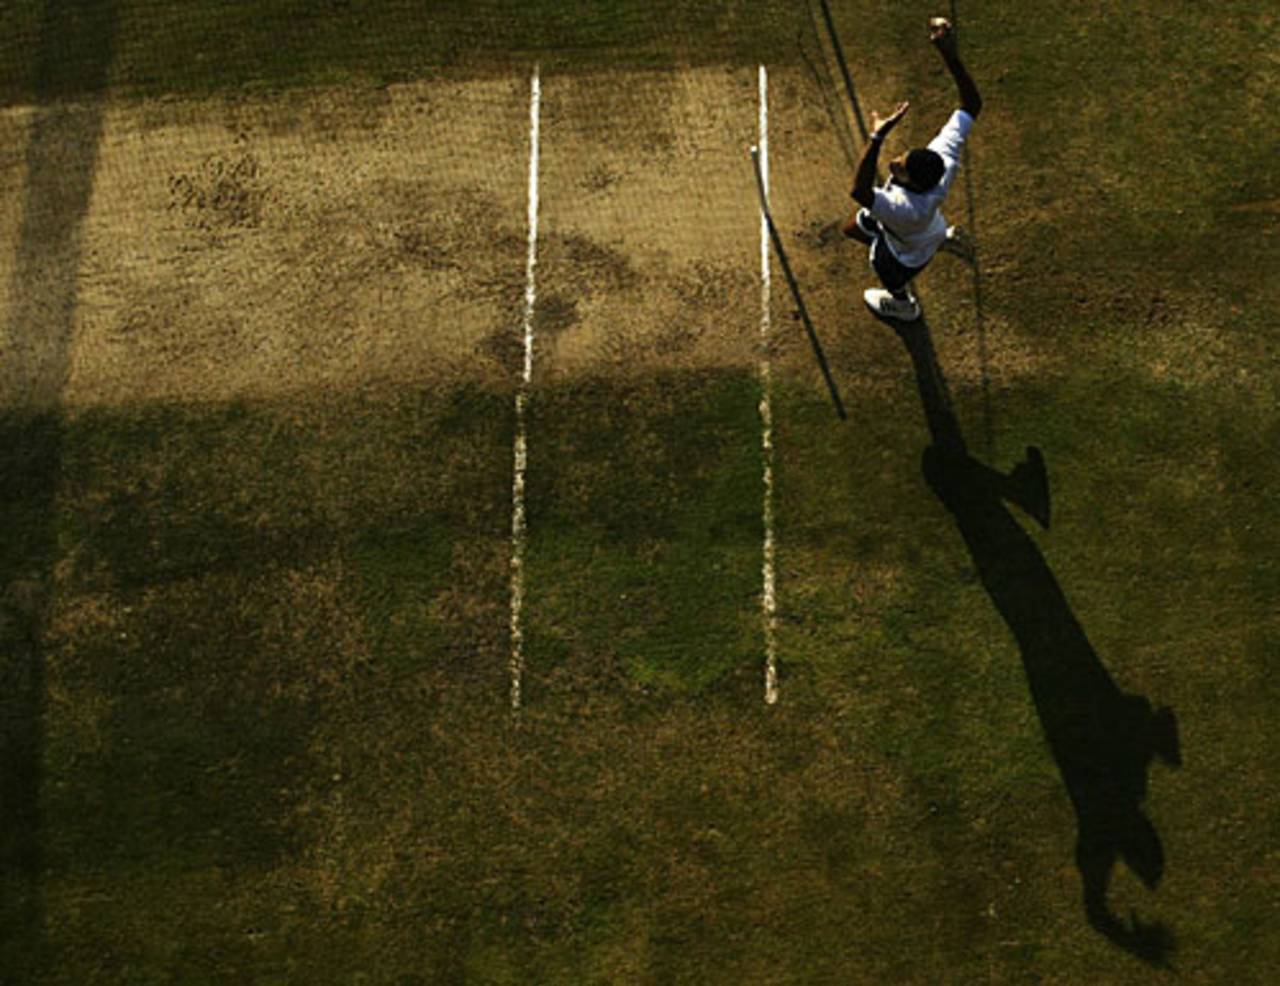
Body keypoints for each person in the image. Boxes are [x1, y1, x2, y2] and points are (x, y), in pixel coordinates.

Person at [844, 16, 982, 321]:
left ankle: (904, 306)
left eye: (901, 168)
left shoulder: (904, 208)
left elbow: (859, 191)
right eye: (903, 158)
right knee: (851, 229)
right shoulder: (940, 159)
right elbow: (972, 104)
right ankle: (942, 238)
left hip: (908, 251)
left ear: (915, 183)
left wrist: (878, 137)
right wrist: (949, 55)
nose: (895, 163)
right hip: (926, 227)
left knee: (885, 270)